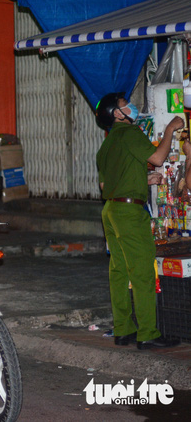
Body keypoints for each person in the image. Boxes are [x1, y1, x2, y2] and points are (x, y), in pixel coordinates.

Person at [95, 92, 185, 350]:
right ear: (117, 114)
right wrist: (169, 129)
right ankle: (148, 333)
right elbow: (157, 158)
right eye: (125, 105)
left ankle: (123, 330)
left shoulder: (107, 144)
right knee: (144, 272)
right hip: (128, 214)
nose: (131, 107)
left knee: (119, 271)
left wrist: (142, 181)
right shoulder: (130, 134)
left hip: (111, 210)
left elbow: (106, 185)